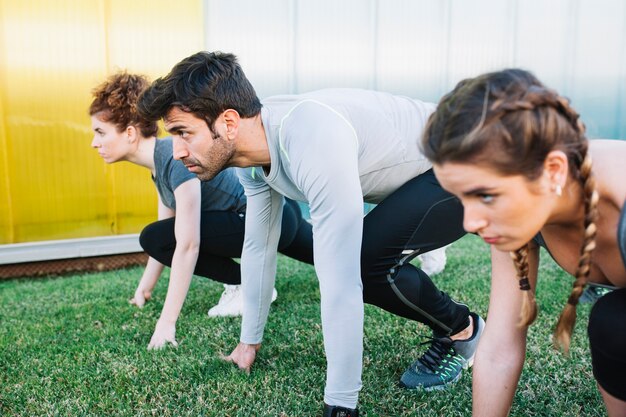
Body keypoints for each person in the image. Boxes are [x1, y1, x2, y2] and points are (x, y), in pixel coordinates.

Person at [137, 51, 485, 416]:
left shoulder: (309, 138)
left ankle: (463, 329)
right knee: (365, 260)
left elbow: (339, 282)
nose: (176, 152)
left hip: (466, 159)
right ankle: (460, 324)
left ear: (228, 122)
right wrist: (248, 341)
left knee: (362, 264)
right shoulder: (252, 158)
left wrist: (340, 404)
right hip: (423, 173)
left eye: (183, 133)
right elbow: (257, 246)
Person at [421, 68, 626, 416]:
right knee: (616, 325)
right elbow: (500, 345)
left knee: (614, 321)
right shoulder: (521, 217)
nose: (470, 222)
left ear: (554, 171)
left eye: (485, 195)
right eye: (462, 198)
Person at [88, 71, 314, 349]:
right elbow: (167, 232)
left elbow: (187, 244)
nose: (94, 143)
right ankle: (250, 285)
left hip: (265, 218)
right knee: (336, 254)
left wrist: (166, 323)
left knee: (154, 237)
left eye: (100, 132)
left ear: (130, 133)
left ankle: (247, 286)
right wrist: (144, 287)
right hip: (279, 216)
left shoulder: (174, 156)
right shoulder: (162, 163)